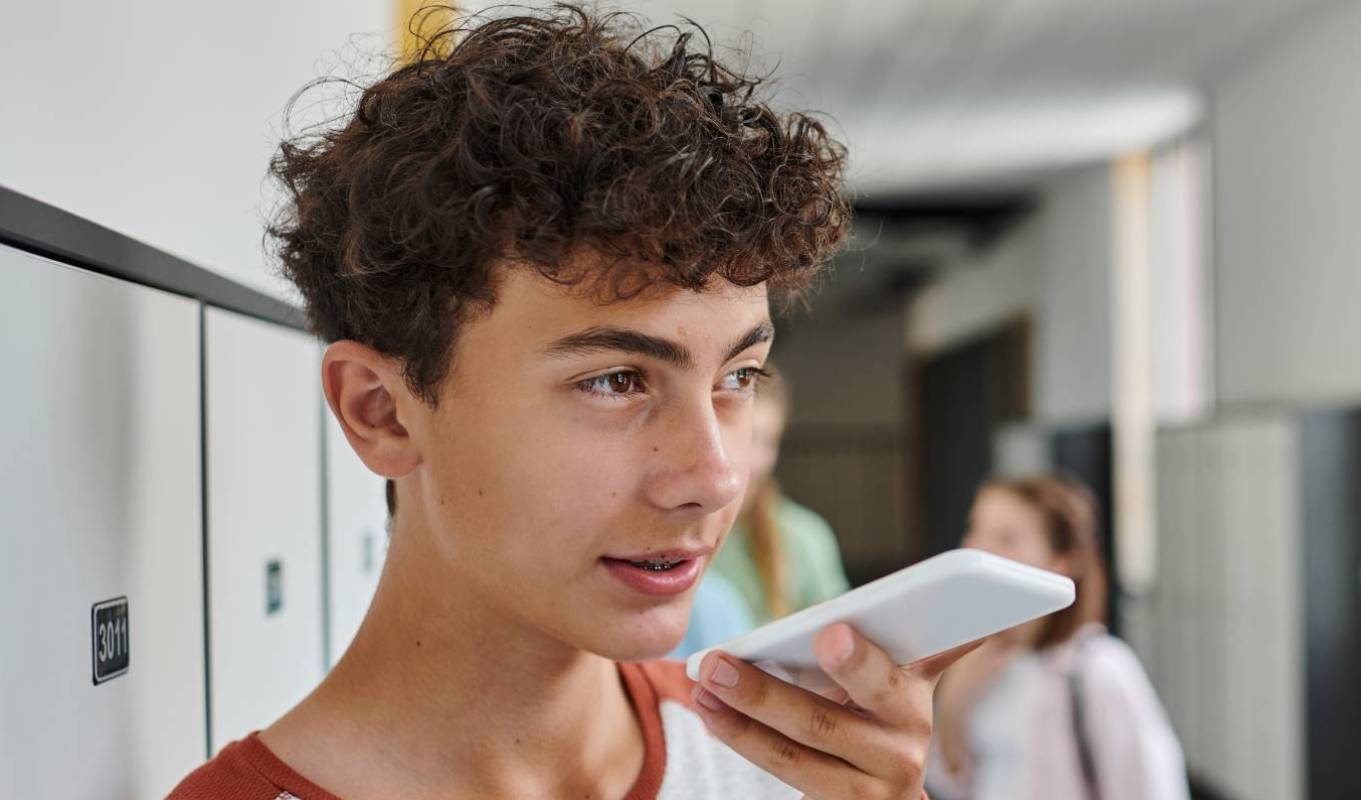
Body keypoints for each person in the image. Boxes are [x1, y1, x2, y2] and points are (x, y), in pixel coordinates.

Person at [168, 7, 976, 799]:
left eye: (738, 377)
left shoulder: (789, 775)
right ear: (380, 411)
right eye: (616, 380)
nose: (715, 477)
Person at [926, 474, 1189, 800]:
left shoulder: (1098, 670)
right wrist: (952, 708)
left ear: (1061, 561)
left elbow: (1152, 789)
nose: (978, 549)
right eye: (974, 530)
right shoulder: (974, 664)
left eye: (1007, 538)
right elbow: (951, 784)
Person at [708, 368, 851, 625]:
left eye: (769, 442)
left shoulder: (805, 535)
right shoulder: (677, 538)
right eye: (747, 439)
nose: (757, 461)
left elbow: (836, 636)